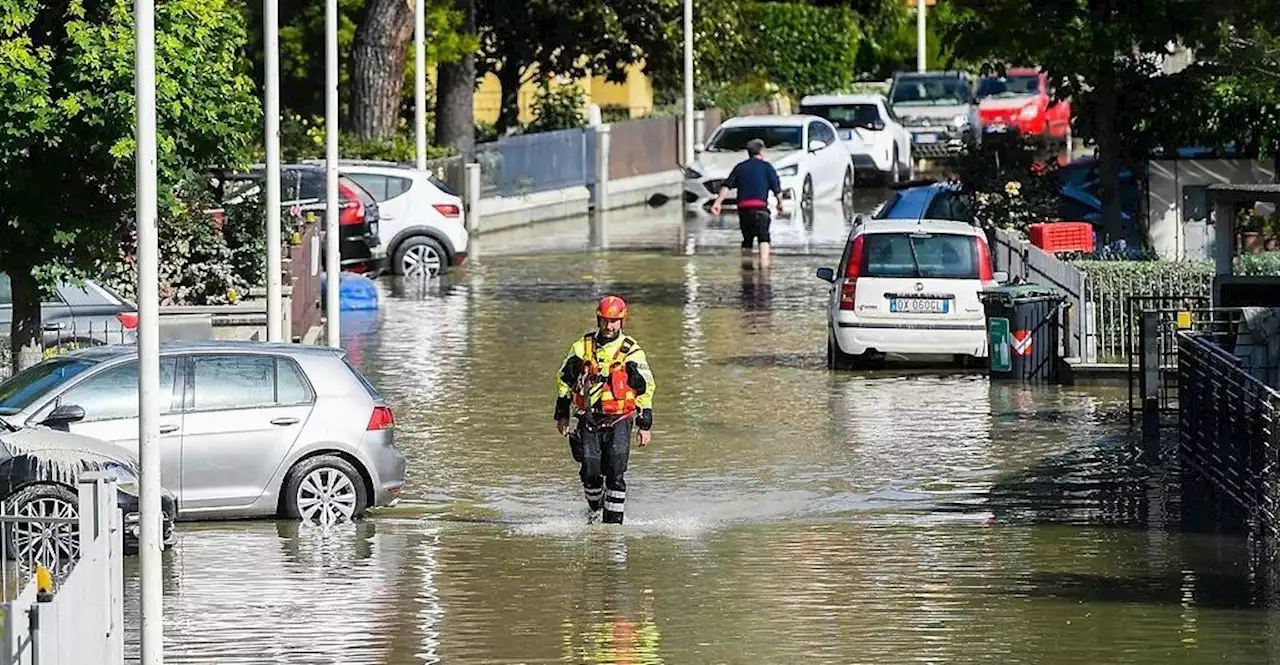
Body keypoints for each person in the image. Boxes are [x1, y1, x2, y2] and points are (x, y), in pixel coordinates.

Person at [554, 295, 656, 525]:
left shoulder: (631, 351)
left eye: (614, 321)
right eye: (605, 321)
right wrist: (562, 413)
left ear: (622, 322)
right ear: (598, 320)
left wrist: (645, 424)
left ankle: (613, 529)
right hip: (589, 418)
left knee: (616, 473)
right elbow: (563, 379)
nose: (609, 326)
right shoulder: (581, 347)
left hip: (619, 418)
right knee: (590, 471)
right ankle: (595, 510)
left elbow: (645, 387)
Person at [710, 137, 783, 268]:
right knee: (764, 238)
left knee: (747, 239)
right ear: (761, 152)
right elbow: (776, 188)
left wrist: (718, 202)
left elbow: (726, 186)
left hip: (744, 209)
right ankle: (764, 266)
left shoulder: (740, 167)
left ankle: (746, 268)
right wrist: (780, 204)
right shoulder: (767, 167)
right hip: (760, 208)